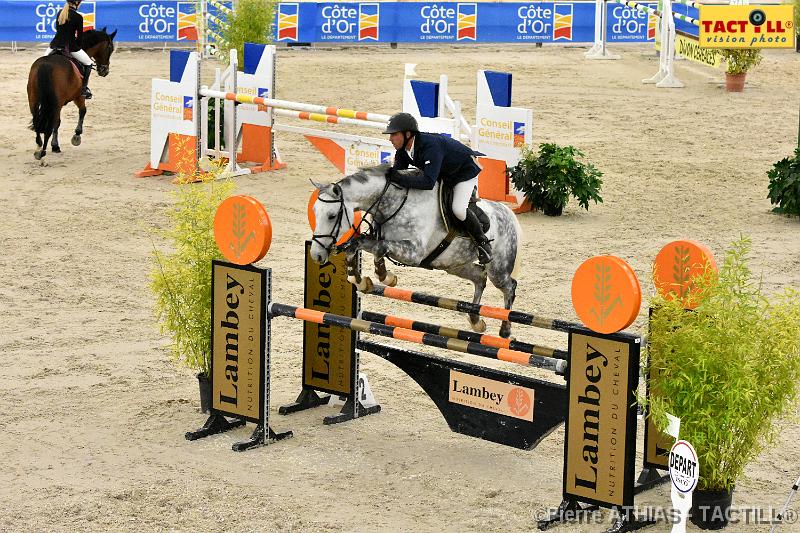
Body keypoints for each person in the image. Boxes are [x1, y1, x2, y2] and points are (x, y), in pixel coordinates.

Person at [383, 112, 492, 264]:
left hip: (463, 172)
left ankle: (483, 243)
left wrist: (400, 178)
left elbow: (427, 182)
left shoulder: (430, 146)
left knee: (458, 210)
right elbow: (397, 173)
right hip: (443, 173)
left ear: (408, 134)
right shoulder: (403, 150)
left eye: (394, 134)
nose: (390, 139)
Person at [45, 0, 93, 99]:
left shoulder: (60, 13)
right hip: (70, 47)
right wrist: (79, 46)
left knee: (43, 60)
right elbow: (79, 37)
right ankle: (84, 89)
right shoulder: (78, 17)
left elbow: (59, 31)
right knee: (88, 63)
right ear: (77, 3)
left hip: (54, 45)